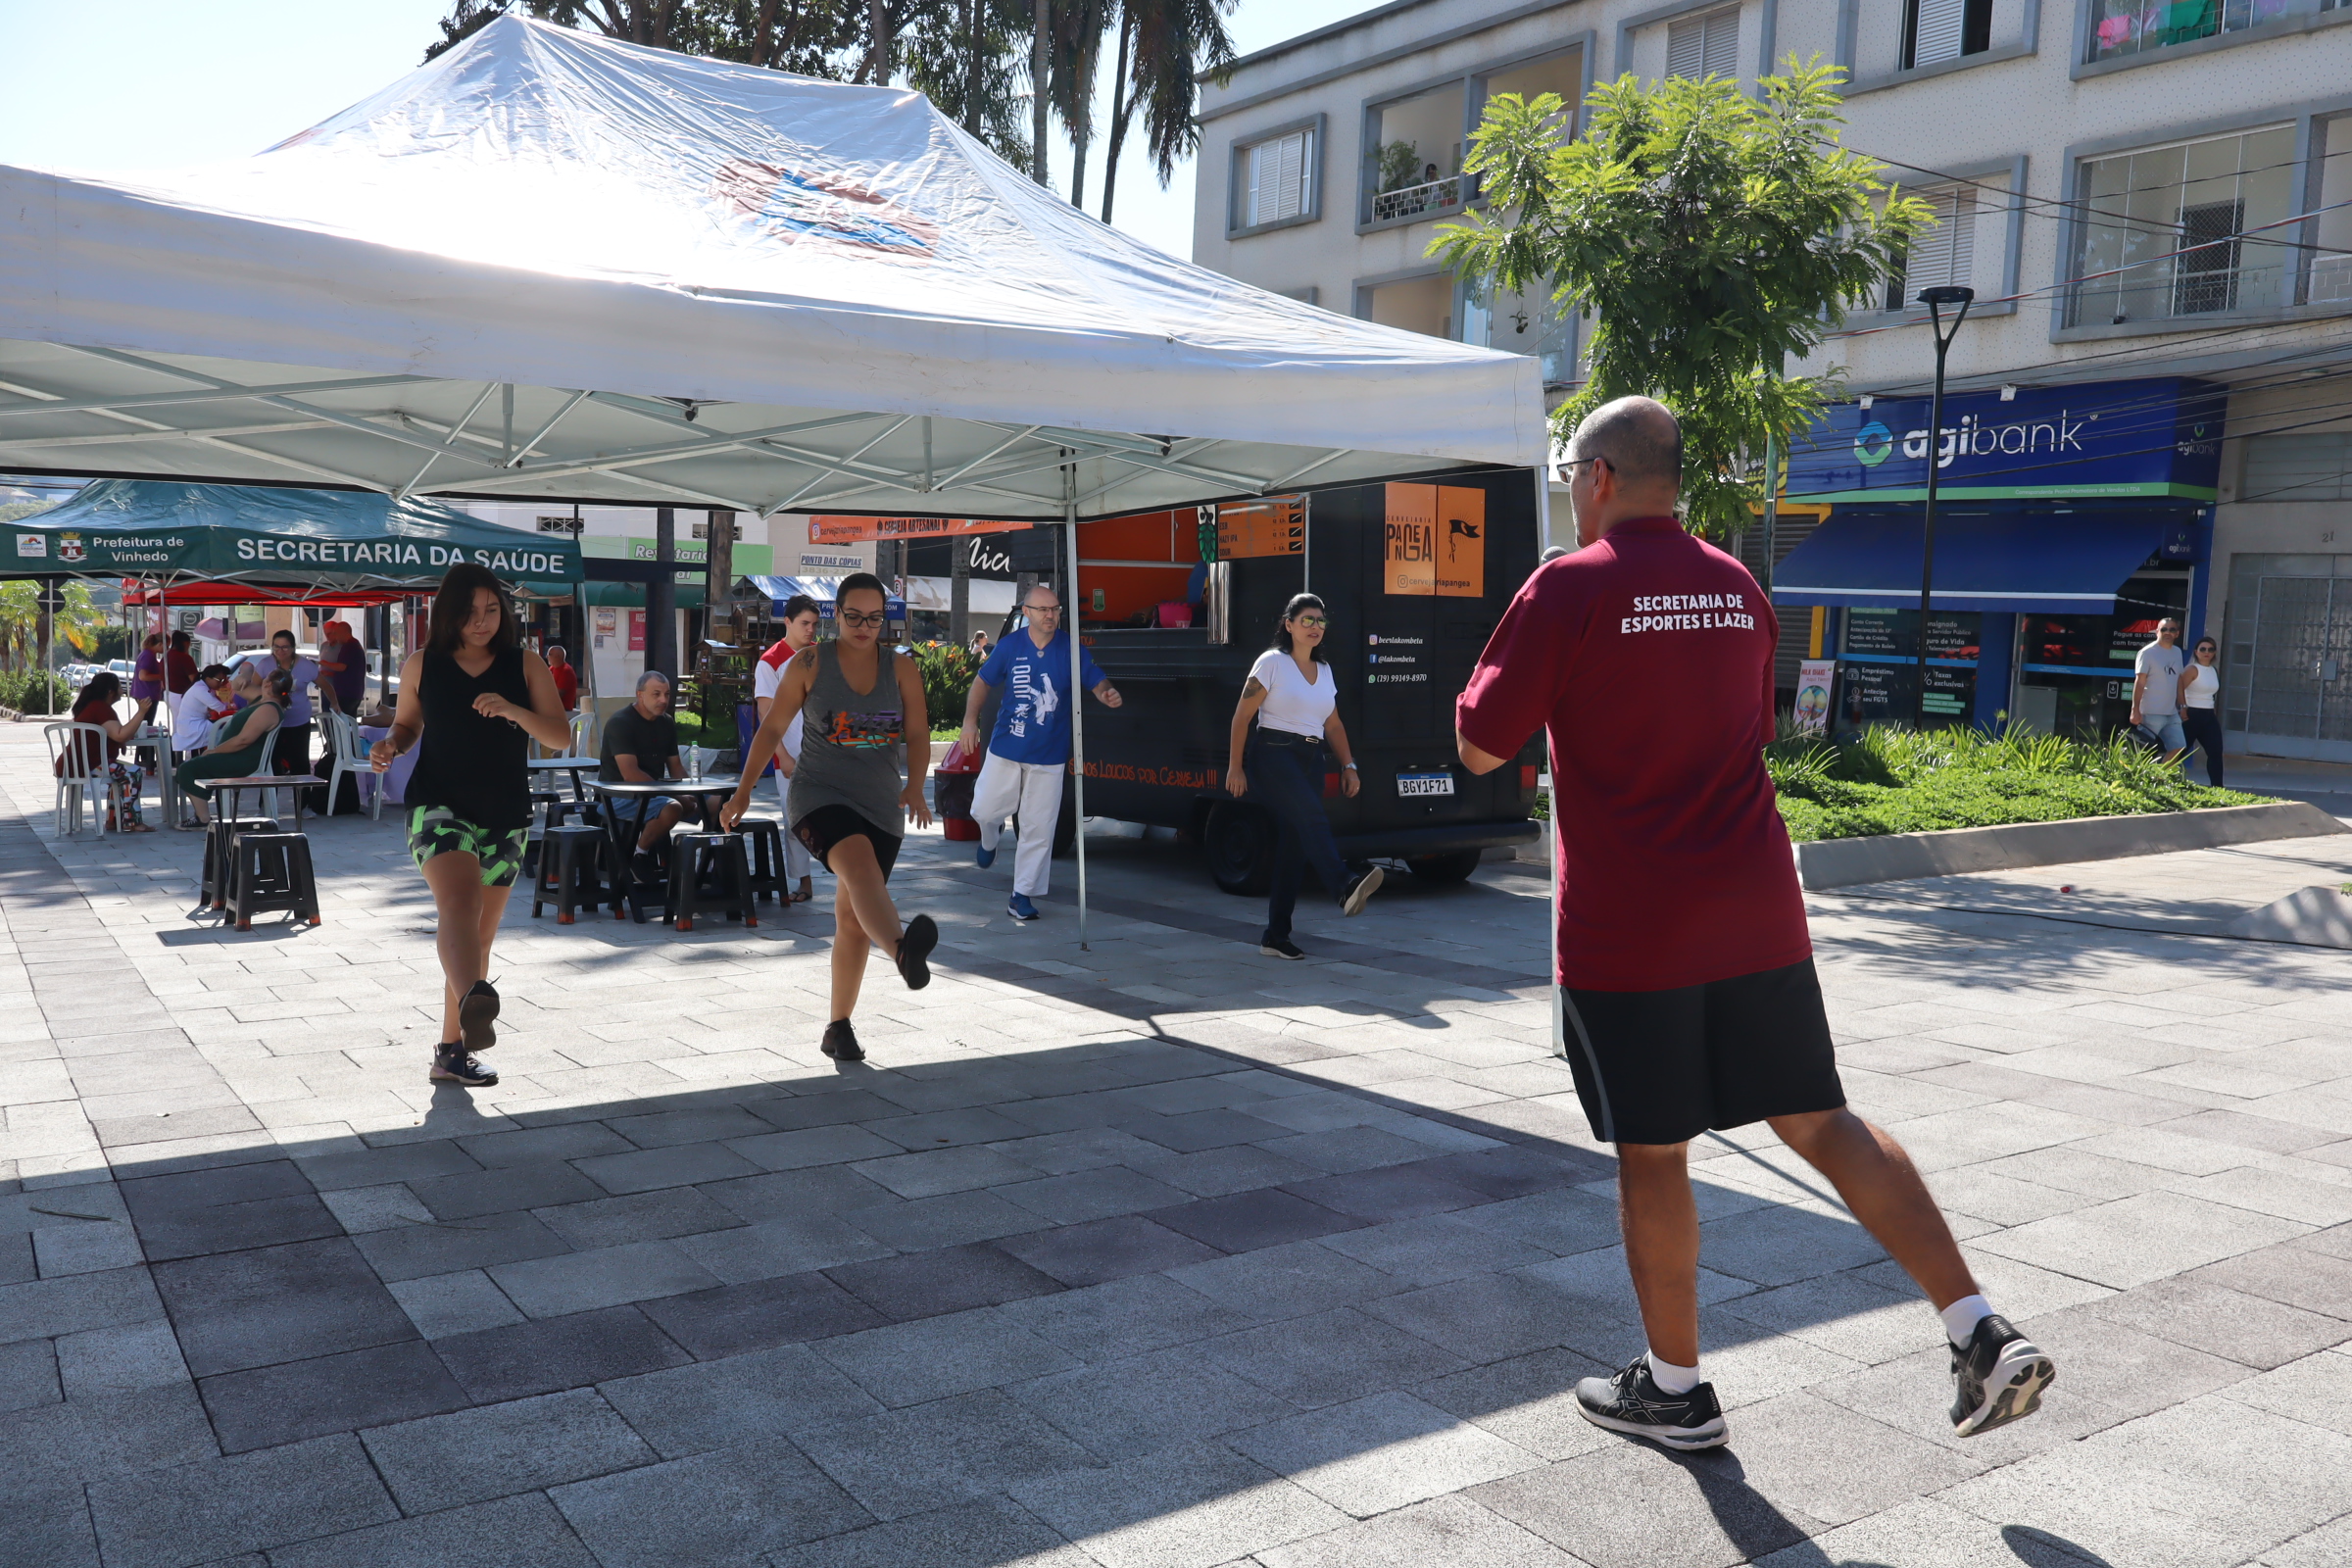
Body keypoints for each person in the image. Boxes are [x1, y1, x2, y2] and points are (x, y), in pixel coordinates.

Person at [1454, 396, 2054, 1451]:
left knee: (1654, 1152)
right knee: (1820, 1118)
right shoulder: (1737, 584)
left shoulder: (1568, 585)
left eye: (1570, 481)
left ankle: (1677, 1390)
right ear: (1669, 479)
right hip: (1756, 908)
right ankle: (1977, 1326)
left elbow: (1480, 742)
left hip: (1633, 924)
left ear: (1596, 478)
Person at [370, 564, 571, 1089]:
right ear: (449, 613)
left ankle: (452, 1050)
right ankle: (473, 1002)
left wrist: (512, 710)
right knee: (459, 906)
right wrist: (391, 744)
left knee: (477, 939)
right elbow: (408, 724)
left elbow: (559, 737)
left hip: (505, 811)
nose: (482, 622)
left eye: (491, 610)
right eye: (470, 611)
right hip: (437, 805)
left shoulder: (525, 664)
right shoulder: (423, 663)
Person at [722, 573, 937, 1063]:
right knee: (859, 868)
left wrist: (915, 785)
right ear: (835, 615)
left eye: (875, 618)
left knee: (854, 918)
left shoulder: (900, 669)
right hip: (819, 795)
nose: (865, 626)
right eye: (854, 616)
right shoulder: (810, 663)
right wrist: (742, 793)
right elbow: (771, 727)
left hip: (881, 804)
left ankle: (838, 1026)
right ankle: (904, 953)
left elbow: (920, 734)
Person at [1223, 594, 1382, 959]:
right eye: (1307, 620)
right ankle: (1343, 884)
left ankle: (1276, 937)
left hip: (1311, 758)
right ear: (1289, 625)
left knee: (1294, 848)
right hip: (1273, 754)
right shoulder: (1272, 663)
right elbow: (1241, 716)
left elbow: (1333, 723)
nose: (1315, 627)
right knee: (1312, 815)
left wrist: (1349, 765)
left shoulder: (1325, 671)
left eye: (1320, 621)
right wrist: (1236, 766)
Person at [956, 583, 1123, 921]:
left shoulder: (1069, 648)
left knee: (1038, 828)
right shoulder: (1009, 646)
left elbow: (1095, 679)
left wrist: (1106, 693)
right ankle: (991, 837)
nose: (1052, 615)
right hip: (1007, 747)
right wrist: (969, 723)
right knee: (985, 810)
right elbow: (982, 681)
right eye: (1044, 610)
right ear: (1028, 613)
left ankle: (1022, 895)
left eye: (1056, 609)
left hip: (1049, 755)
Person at [754, 595, 824, 904]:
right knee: (795, 820)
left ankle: (851, 875)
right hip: (791, 755)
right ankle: (804, 881)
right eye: (804, 623)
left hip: (825, 751)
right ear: (787, 622)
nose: (810, 630)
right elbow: (765, 714)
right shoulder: (770, 661)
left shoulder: (821, 658)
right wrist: (781, 754)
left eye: (815, 624)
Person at [601, 671, 694, 884]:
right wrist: (677, 797)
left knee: (717, 803)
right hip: (619, 795)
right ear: (640, 695)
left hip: (656, 794)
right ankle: (637, 856)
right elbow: (630, 774)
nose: (663, 700)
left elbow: (676, 766)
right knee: (673, 807)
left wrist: (690, 792)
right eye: (656, 694)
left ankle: (710, 866)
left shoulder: (666, 722)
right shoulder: (621, 722)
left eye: (667, 694)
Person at [175, 668, 289, 827]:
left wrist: (215, 750)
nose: (264, 681)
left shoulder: (268, 708)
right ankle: (203, 815)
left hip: (243, 759)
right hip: (235, 754)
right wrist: (246, 675)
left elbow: (244, 740)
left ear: (270, 685)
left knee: (188, 768)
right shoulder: (261, 699)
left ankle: (203, 818)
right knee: (192, 766)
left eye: (267, 679)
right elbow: (236, 686)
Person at [63, 671, 159, 832]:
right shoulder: (100, 708)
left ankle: (114, 820)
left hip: (79, 762)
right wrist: (141, 712)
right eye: (120, 687)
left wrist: (116, 741)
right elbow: (120, 734)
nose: (122, 690)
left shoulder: (93, 706)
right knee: (132, 772)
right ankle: (132, 822)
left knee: (121, 772)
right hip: (89, 764)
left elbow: (113, 734)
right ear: (110, 692)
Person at [236, 630, 323, 800]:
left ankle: (303, 805)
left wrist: (333, 704)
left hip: (298, 721)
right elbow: (253, 690)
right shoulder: (265, 664)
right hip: (272, 721)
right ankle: (267, 805)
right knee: (271, 762)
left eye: (285, 647)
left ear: (293, 648)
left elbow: (325, 685)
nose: (280, 651)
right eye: (276, 647)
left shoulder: (305, 665)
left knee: (300, 763)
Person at [2131, 615, 2186, 761]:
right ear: (2157, 632)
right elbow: (2140, 682)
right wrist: (2135, 709)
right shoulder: (2147, 653)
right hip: (2151, 713)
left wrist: (2183, 705)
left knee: (2178, 747)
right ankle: (2138, 780)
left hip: (2171, 712)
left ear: (2177, 633)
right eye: (2164, 629)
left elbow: (2179, 680)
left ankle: (2158, 777)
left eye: (2172, 629)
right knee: (2144, 752)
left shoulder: (2177, 652)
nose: (2167, 632)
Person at [2180, 634, 2225, 787]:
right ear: (2196, 651)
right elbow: (2178, 690)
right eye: (2203, 649)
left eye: (2211, 649)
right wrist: (2182, 708)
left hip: (2208, 715)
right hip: (2191, 714)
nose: (2207, 652)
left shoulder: (2213, 670)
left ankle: (2218, 787)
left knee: (2215, 752)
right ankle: (2159, 780)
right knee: (2179, 751)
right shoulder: (2192, 669)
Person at [317, 620, 367, 714]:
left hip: (346, 693)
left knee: (341, 722)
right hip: (349, 692)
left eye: (335, 633)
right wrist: (328, 673)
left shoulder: (349, 646)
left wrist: (324, 663)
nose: (334, 636)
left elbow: (342, 667)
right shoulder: (353, 645)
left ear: (342, 632)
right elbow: (348, 670)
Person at [130, 634, 166, 704]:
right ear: (160, 644)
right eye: (166, 646)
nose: (167, 649)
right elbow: (143, 676)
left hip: (146, 693)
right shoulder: (148, 655)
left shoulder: (148, 654)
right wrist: (161, 676)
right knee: (147, 714)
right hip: (147, 694)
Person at [546, 644, 579, 713]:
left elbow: (558, 694)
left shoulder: (566, 671)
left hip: (563, 709)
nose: (547, 656)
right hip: (553, 708)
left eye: (549, 654)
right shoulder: (552, 668)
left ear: (557, 656)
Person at [165, 630, 200, 697]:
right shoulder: (185, 658)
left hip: (168, 693)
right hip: (182, 694)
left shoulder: (166, 655)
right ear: (186, 643)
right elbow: (194, 679)